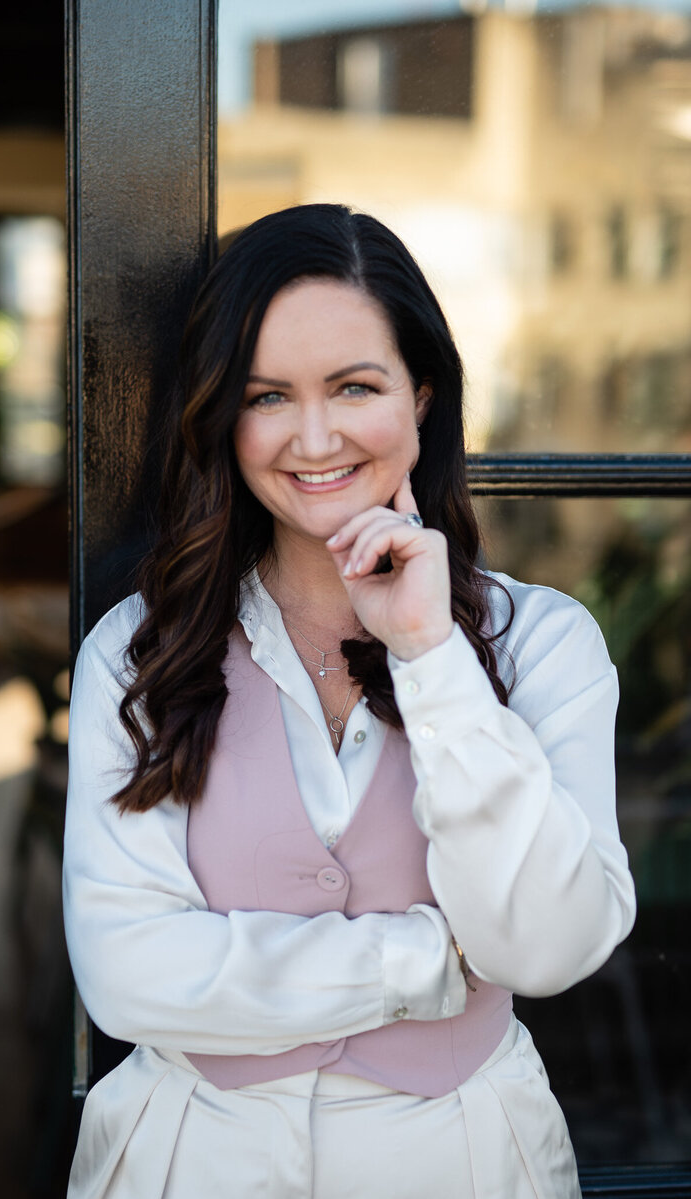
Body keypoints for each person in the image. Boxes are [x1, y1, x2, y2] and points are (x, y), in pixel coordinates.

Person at [63, 203, 637, 1199]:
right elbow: (127, 971)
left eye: (352, 386)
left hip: (461, 1158)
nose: (313, 435)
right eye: (267, 395)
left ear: (420, 394)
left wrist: (427, 649)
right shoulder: (139, 647)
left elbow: (547, 943)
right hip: (190, 1158)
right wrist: (427, 957)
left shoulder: (540, 642)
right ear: (223, 417)